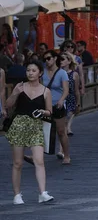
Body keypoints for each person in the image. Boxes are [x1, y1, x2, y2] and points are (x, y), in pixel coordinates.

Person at [5, 60, 54, 205]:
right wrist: (15, 93)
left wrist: (43, 112)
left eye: (33, 70)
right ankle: (17, 195)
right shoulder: (20, 87)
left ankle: (43, 192)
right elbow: (8, 105)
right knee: (18, 163)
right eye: (28, 70)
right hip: (19, 125)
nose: (30, 73)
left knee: (39, 160)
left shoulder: (46, 91)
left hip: (36, 126)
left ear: (40, 73)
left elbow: (50, 112)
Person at [42, 50, 70, 165]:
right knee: (41, 131)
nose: (46, 61)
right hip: (45, 105)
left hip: (57, 104)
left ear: (54, 58)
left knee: (61, 131)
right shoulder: (42, 72)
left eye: (48, 58)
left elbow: (66, 90)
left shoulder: (62, 73)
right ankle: (36, 156)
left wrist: (61, 100)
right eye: (44, 59)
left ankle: (67, 155)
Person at [59, 51, 80, 137]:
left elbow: (76, 90)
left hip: (70, 97)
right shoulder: (58, 73)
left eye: (63, 59)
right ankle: (66, 128)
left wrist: (78, 103)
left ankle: (68, 128)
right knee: (63, 117)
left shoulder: (74, 74)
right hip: (61, 97)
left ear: (69, 61)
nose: (61, 61)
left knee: (69, 114)